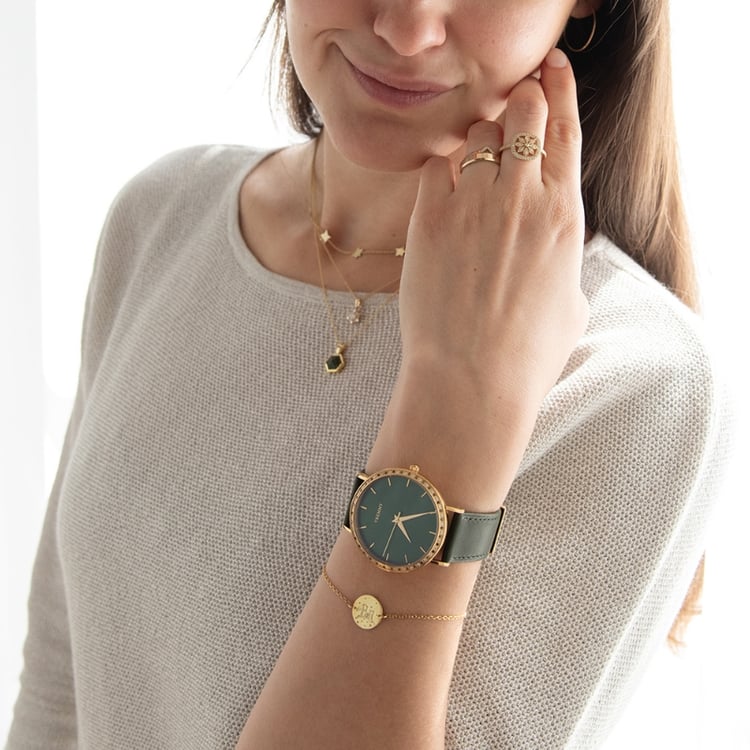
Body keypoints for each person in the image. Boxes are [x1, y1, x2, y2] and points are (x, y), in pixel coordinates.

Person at [5, 0, 731, 748]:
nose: (407, 29)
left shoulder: (637, 377)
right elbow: (58, 697)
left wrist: (460, 391)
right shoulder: (161, 218)